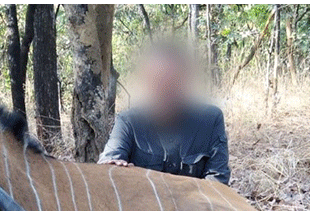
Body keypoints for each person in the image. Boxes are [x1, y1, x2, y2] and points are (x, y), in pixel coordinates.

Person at [98, 42, 231, 185]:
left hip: (195, 205)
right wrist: (112, 168)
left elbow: (218, 183)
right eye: (158, 81)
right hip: (143, 204)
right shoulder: (128, 121)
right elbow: (109, 162)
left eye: (172, 82)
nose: (164, 89)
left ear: (185, 82)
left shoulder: (210, 120)